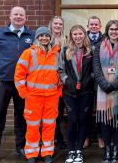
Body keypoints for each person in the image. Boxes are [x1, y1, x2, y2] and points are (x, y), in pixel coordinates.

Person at [0, 6, 34, 163]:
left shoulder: (31, 35)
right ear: (10, 16)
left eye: (21, 14)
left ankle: (21, 147)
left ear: (26, 17)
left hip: (23, 84)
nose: (18, 17)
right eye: (16, 14)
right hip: (2, 83)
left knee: (22, 117)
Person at [14, 26, 61, 163]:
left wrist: (58, 92)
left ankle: (47, 152)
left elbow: (61, 74)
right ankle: (32, 154)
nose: (44, 38)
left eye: (47, 36)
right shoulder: (28, 53)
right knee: (32, 126)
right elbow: (19, 75)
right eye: (41, 36)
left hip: (51, 96)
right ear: (37, 38)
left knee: (49, 125)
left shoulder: (56, 53)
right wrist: (24, 93)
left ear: (50, 38)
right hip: (33, 96)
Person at [94, 20, 118, 163]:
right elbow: (96, 67)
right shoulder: (98, 47)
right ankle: (107, 150)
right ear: (107, 30)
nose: (114, 31)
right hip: (102, 89)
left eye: (116, 29)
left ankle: (116, 150)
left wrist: (114, 85)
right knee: (105, 121)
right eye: (111, 29)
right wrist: (104, 84)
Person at [59, 25, 94, 163]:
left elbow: (94, 70)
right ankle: (71, 150)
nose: (78, 36)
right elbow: (61, 71)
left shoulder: (90, 51)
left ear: (84, 35)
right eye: (75, 34)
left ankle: (79, 150)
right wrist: (68, 82)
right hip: (69, 92)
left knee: (83, 119)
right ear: (71, 36)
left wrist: (88, 80)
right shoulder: (65, 51)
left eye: (80, 34)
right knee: (73, 120)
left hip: (86, 91)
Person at [84, 16, 105, 149]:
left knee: (100, 111)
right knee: (85, 111)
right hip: (85, 80)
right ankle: (86, 137)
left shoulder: (105, 40)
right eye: (91, 24)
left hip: (100, 80)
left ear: (100, 26)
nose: (94, 26)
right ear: (88, 26)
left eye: (96, 24)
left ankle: (100, 137)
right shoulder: (83, 39)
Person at [49, 16, 68, 150]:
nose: (58, 26)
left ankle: (58, 136)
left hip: (62, 81)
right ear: (51, 25)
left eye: (60, 24)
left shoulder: (66, 40)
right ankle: (51, 138)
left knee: (59, 111)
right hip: (47, 80)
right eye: (55, 23)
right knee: (49, 111)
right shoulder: (44, 38)